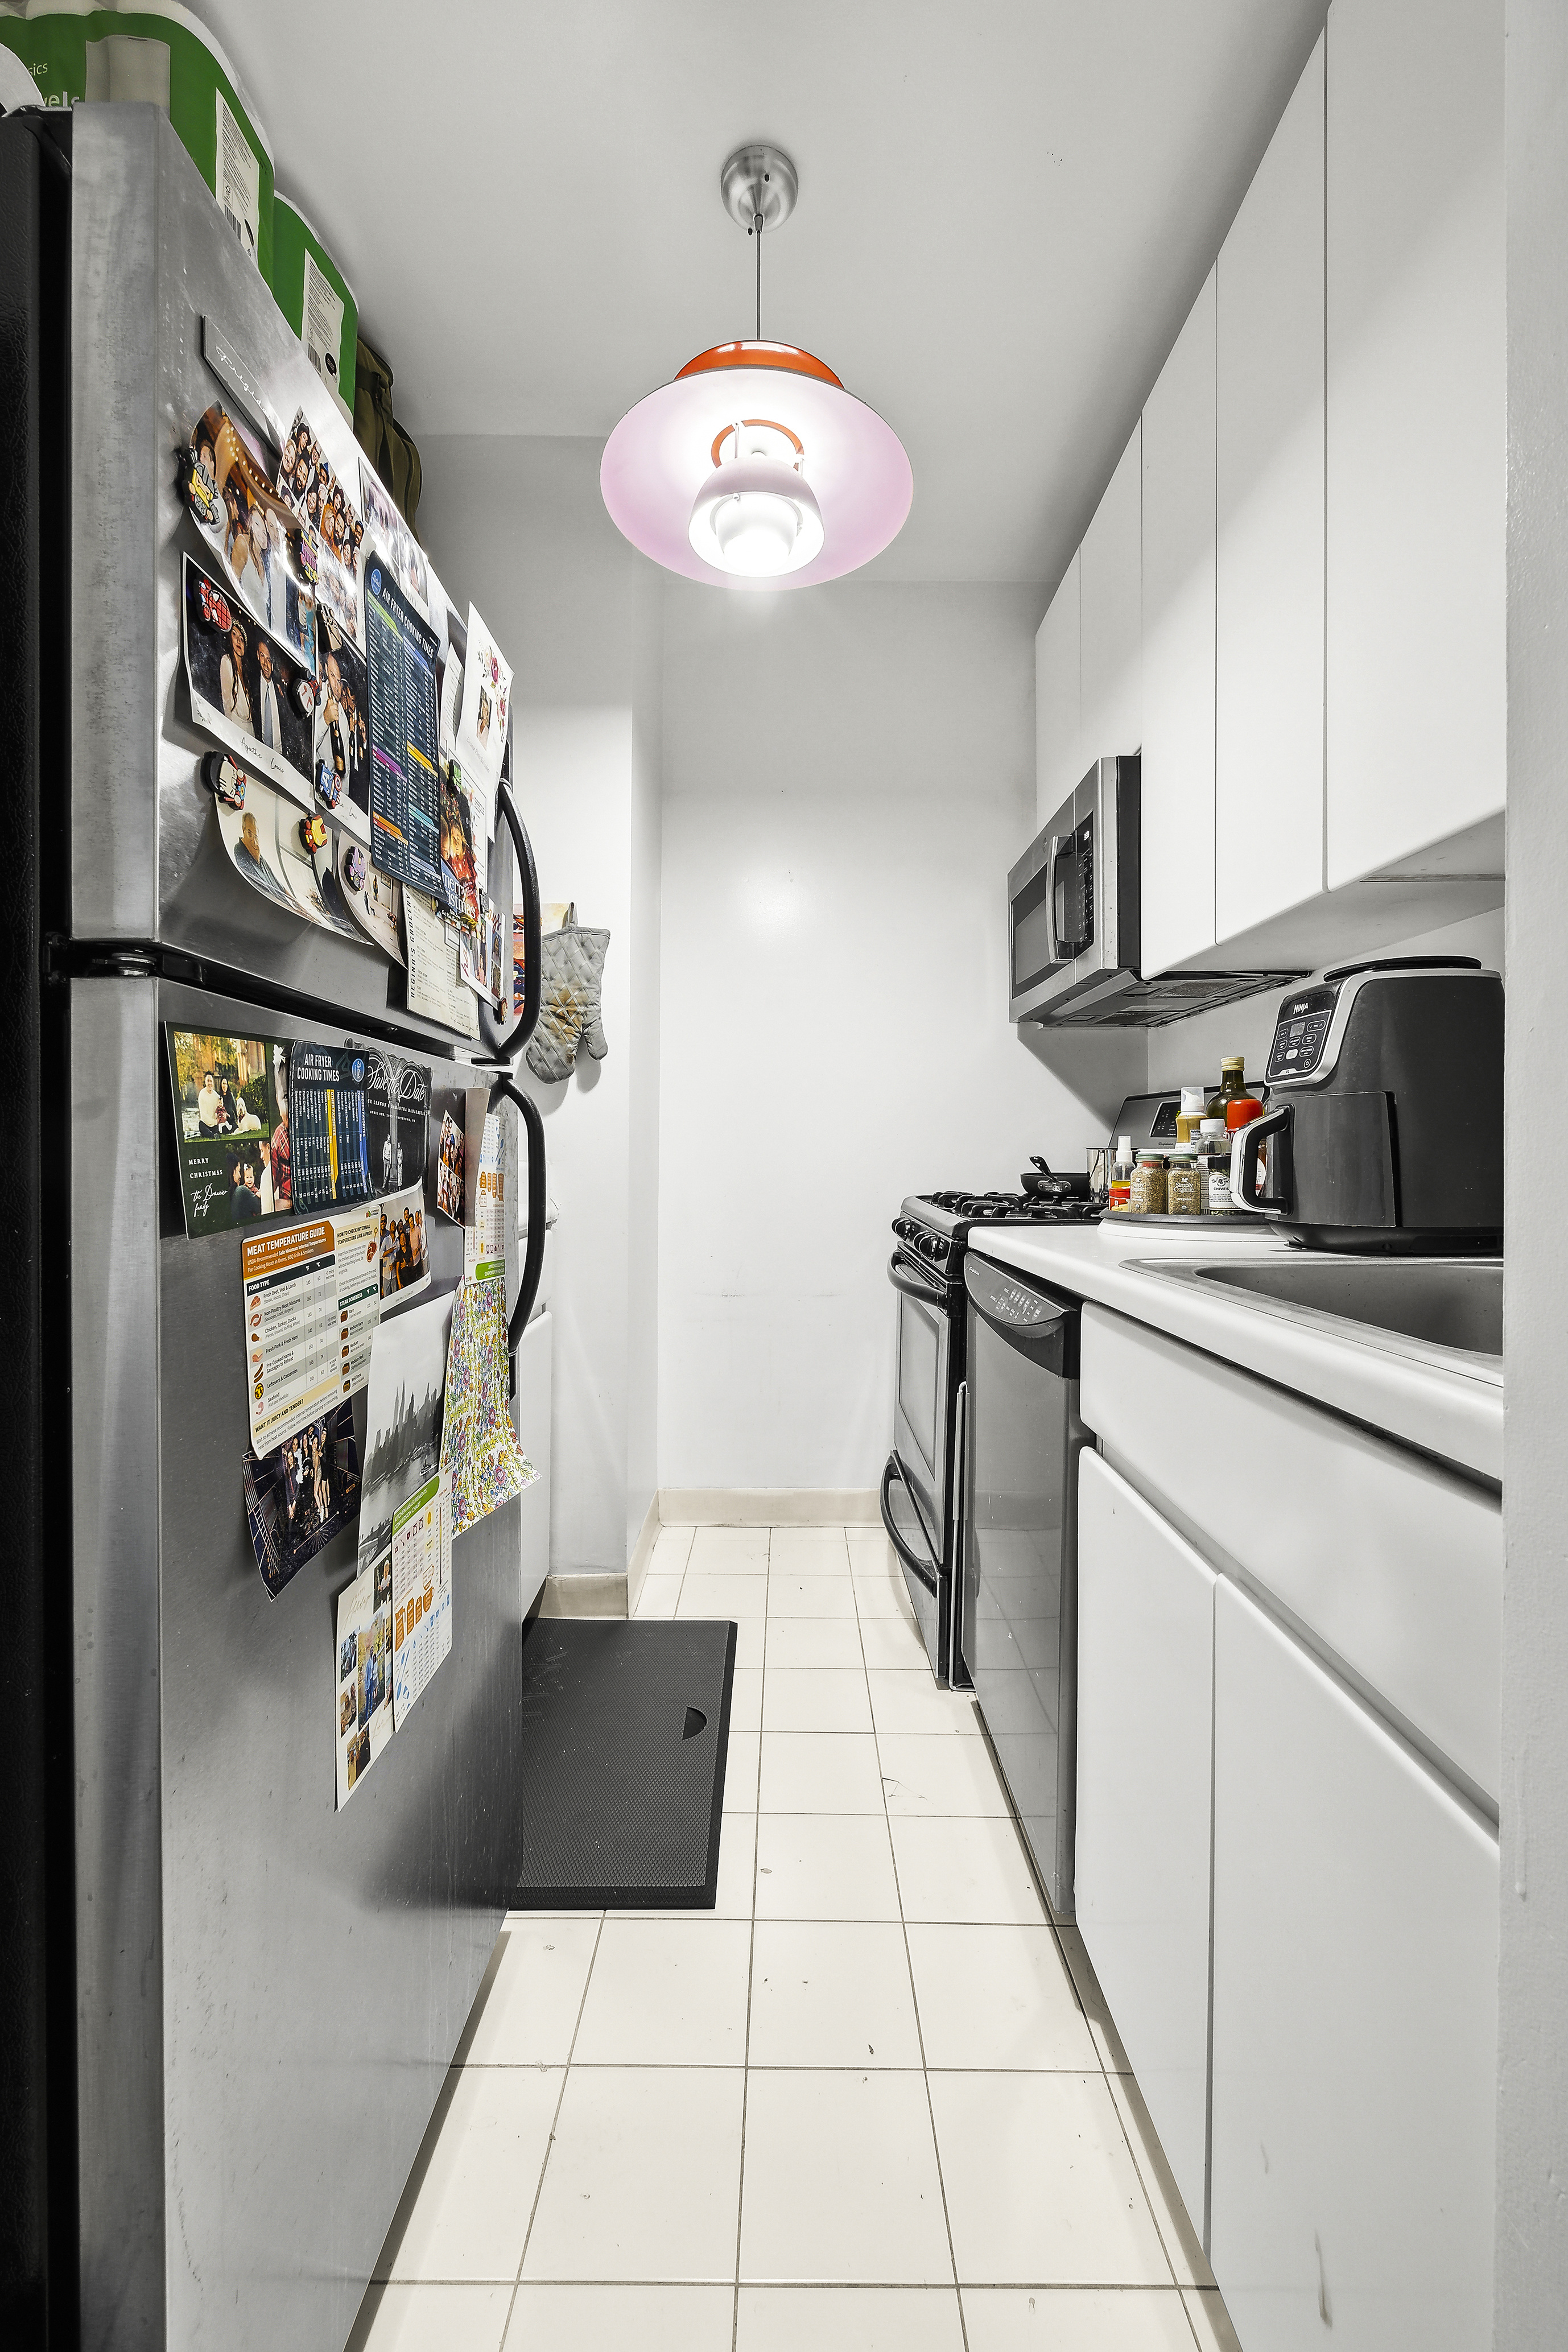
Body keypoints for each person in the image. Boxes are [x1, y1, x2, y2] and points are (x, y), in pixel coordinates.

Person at [221, 618, 253, 733]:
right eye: (234, 635)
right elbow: (227, 704)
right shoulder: (226, 661)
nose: (238, 641)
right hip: (235, 726)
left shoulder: (246, 672)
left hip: (250, 729)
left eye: (242, 639)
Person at [255, 638, 283, 754]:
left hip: (279, 754)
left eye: (269, 660)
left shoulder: (281, 693)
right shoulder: (253, 685)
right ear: (258, 656)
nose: (266, 664)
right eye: (263, 656)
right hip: (257, 751)